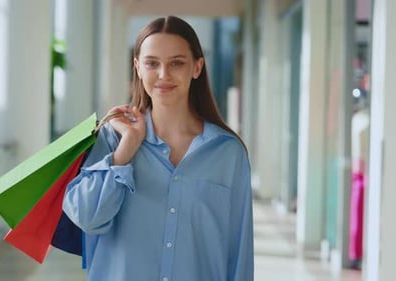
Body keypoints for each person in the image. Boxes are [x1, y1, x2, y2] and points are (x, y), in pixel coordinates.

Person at [62, 15, 254, 281]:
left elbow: (239, 252)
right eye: (152, 63)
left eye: (177, 63)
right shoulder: (112, 140)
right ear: (138, 67)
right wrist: (125, 151)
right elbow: (87, 217)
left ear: (197, 67)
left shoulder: (228, 153)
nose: (164, 75)